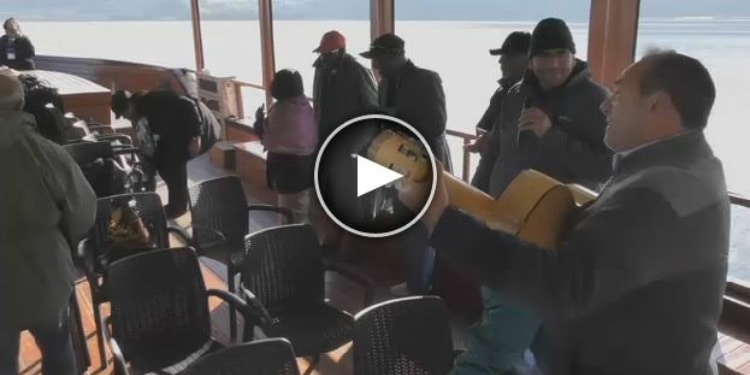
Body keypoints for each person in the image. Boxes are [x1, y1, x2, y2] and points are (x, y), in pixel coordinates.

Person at [401, 50, 728, 375]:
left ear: (657, 104)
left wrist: (443, 219)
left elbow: (564, 285)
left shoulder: (658, 193)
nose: (605, 104)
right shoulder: (690, 168)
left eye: (618, 93)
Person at [452, 18, 614, 374]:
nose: (554, 63)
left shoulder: (596, 100)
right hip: (503, 226)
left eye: (562, 54)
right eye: (545, 55)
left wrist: (551, 133)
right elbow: (502, 152)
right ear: (532, 60)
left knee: (496, 343)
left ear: (574, 56)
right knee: (538, 337)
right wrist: (481, 201)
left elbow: (606, 167)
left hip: (547, 241)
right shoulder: (515, 95)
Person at [0, 70, 96, 375]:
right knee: (58, 352)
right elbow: (83, 213)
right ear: (20, 106)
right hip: (46, 277)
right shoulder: (46, 153)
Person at [360, 32, 451, 296]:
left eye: (378, 59)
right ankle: (414, 281)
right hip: (396, 165)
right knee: (406, 224)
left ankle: (422, 289)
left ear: (395, 57)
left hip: (424, 165)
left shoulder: (427, 79)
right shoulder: (386, 82)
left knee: (423, 230)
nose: (375, 65)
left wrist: (394, 117)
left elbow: (437, 124)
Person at [111, 89, 202, 218]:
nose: (126, 117)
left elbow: (188, 104)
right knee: (162, 165)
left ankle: (179, 207)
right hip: (168, 136)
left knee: (174, 168)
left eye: (124, 114)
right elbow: (147, 139)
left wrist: (196, 136)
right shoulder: (139, 114)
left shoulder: (154, 100)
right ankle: (175, 204)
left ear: (130, 105)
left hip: (183, 130)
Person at [468, 31, 531, 192]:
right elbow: (483, 125)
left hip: (515, 185)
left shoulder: (534, 98)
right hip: (487, 172)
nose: (500, 61)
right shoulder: (501, 92)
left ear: (527, 58)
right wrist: (484, 138)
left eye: (507, 56)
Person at [257, 69, 318, 223]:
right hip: (305, 167)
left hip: (290, 171)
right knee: (300, 210)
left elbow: (268, 140)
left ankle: (291, 244)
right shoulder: (305, 107)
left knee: (289, 215)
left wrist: (259, 123)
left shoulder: (282, 111)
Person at [312, 30, 378, 146]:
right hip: (325, 135)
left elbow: (373, 106)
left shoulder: (358, 72)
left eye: (329, 53)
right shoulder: (320, 68)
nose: (324, 57)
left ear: (342, 51)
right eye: (322, 53)